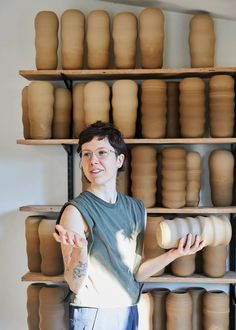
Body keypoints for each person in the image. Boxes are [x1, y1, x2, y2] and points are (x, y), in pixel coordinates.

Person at [53, 121, 205, 330]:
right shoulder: (75, 211)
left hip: (128, 309)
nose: (93, 161)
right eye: (86, 154)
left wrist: (173, 254)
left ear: (119, 159)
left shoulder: (136, 208)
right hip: (94, 313)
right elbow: (74, 283)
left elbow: (136, 273)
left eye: (102, 153)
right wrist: (80, 250)